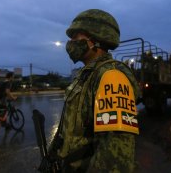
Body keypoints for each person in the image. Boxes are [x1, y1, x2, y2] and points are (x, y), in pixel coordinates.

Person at [47, 9, 141, 172]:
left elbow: (115, 158)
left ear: (96, 39)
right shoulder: (86, 74)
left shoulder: (111, 76)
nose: (71, 42)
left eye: (76, 37)